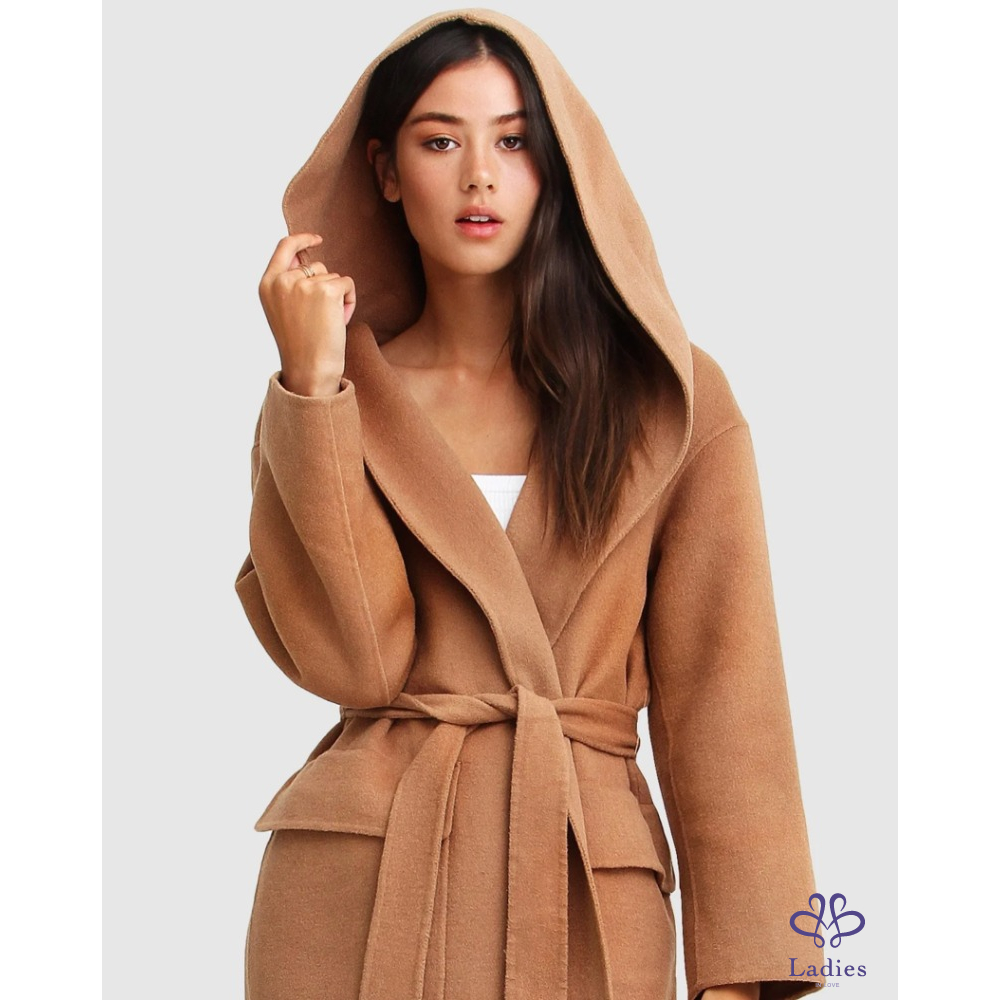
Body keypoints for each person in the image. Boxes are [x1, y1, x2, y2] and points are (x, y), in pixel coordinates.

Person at [235, 10, 825, 1000]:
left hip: (584, 892)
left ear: (564, 164)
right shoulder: (323, 396)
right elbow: (353, 663)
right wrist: (313, 389)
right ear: (385, 169)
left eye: (514, 141)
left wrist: (760, 972)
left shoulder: (672, 398)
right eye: (440, 141)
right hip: (355, 897)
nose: (480, 175)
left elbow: (733, 701)